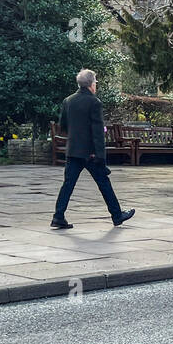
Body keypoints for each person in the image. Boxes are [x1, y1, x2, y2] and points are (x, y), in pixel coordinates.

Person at [51, 69, 135, 229]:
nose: (96, 84)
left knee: (68, 184)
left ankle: (58, 216)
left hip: (74, 150)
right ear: (90, 84)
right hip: (90, 152)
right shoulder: (94, 102)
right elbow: (97, 131)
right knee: (104, 182)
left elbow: (64, 125)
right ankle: (117, 215)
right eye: (95, 81)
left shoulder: (68, 101)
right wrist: (100, 156)